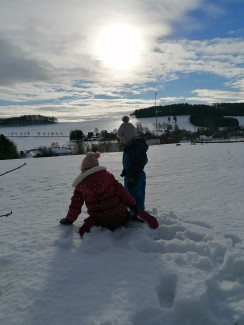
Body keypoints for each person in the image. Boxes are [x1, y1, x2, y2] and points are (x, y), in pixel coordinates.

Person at [60, 152, 138, 236]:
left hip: (101, 220)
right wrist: (133, 205)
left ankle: (92, 220)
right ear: (96, 166)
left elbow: (75, 206)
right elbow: (122, 193)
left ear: (83, 169)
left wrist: (69, 220)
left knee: (97, 217)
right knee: (127, 213)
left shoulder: (80, 185)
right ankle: (131, 215)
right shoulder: (108, 177)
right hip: (120, 216)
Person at [117, 116, 148, 211]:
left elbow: (139, 163)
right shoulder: (129, 147)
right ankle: (132, 211)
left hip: (137, 177)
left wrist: (133, 177)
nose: (120, 141)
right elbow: (130, 161)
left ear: (127, 136)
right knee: (129, 196)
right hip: (130, 176)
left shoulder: (135, 148)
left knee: (137, 196)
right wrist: (125, 169)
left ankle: (139, 211)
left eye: (121, 138)